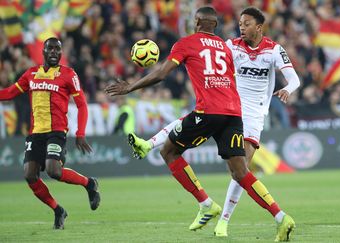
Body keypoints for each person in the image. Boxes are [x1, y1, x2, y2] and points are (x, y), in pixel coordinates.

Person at [106, 6, 295, 241]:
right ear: (215, 25)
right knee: (241, 172)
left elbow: (161, 74)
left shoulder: (188, 43)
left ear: (197, 22)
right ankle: (281, 217)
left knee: (170, 151)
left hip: (209, 112)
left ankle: (205, 203)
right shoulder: (226, 49)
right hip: (234, 114)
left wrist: (130, 87)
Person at [0, 37, 101, 230]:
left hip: (56, 132)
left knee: (54, 171)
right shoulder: (31, 74)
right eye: (50, 49)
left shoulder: (68, 74)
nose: (54, 52)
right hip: (36, 132)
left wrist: (80, 132)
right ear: (43, 52)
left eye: (58, 49)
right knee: (30, 176)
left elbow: (82, 105)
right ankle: (57, 210)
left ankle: (89, 183)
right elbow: (11, 92)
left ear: (61, 53)